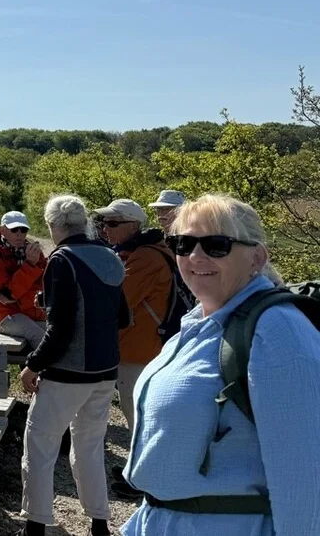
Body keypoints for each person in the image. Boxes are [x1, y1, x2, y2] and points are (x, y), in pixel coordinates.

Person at [121, 195, 320, 536]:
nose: (195, 256)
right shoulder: (199, 324)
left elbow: (306, 482)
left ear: (257, 257)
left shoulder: (278, 332)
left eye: (217, 245)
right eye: (183, 244)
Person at [17, 195, 129, 536]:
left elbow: (60, 330)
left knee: (40, 447)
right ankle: (99, 524)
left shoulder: (62, 260)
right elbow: (122, 317)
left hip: (67, 373)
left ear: (54, 226)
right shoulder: (109, 257)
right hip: (105, 370)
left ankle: (36, 525)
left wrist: (32, 366)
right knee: (91, 448)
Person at [93, 200, 173, 434]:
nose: (105, 228)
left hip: (138, 348)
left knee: (136, 412)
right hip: (143, 344)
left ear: (133, 226)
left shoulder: (145, 257)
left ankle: (143, 468)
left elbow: (118, 300)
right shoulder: (148, 250)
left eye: (113, 223)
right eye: (104, 222)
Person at [0, 211, 48, 350]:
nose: (19, 234)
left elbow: (43, 285)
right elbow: (10, 293)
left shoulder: (32, 251)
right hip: (5, 315)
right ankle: (43, 371)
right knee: (41, 339)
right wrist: (30, 265)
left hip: (31, 311)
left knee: (61, 333)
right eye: (14, 229)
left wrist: (15, 294)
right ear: (2, 230)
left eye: (23, 229)